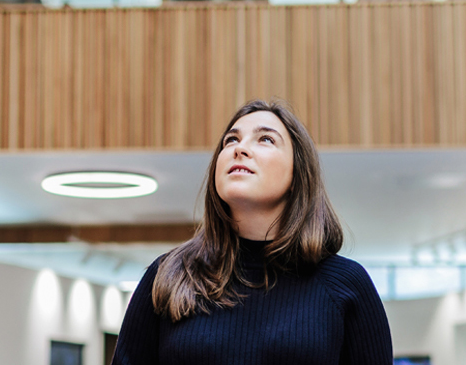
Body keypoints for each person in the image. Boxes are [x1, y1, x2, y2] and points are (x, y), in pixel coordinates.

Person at [112, 100, 393, 364]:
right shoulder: (168, 275)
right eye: (231, 140)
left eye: (266, 139)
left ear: (297, 175)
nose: (240, 148)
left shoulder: (346, 286)